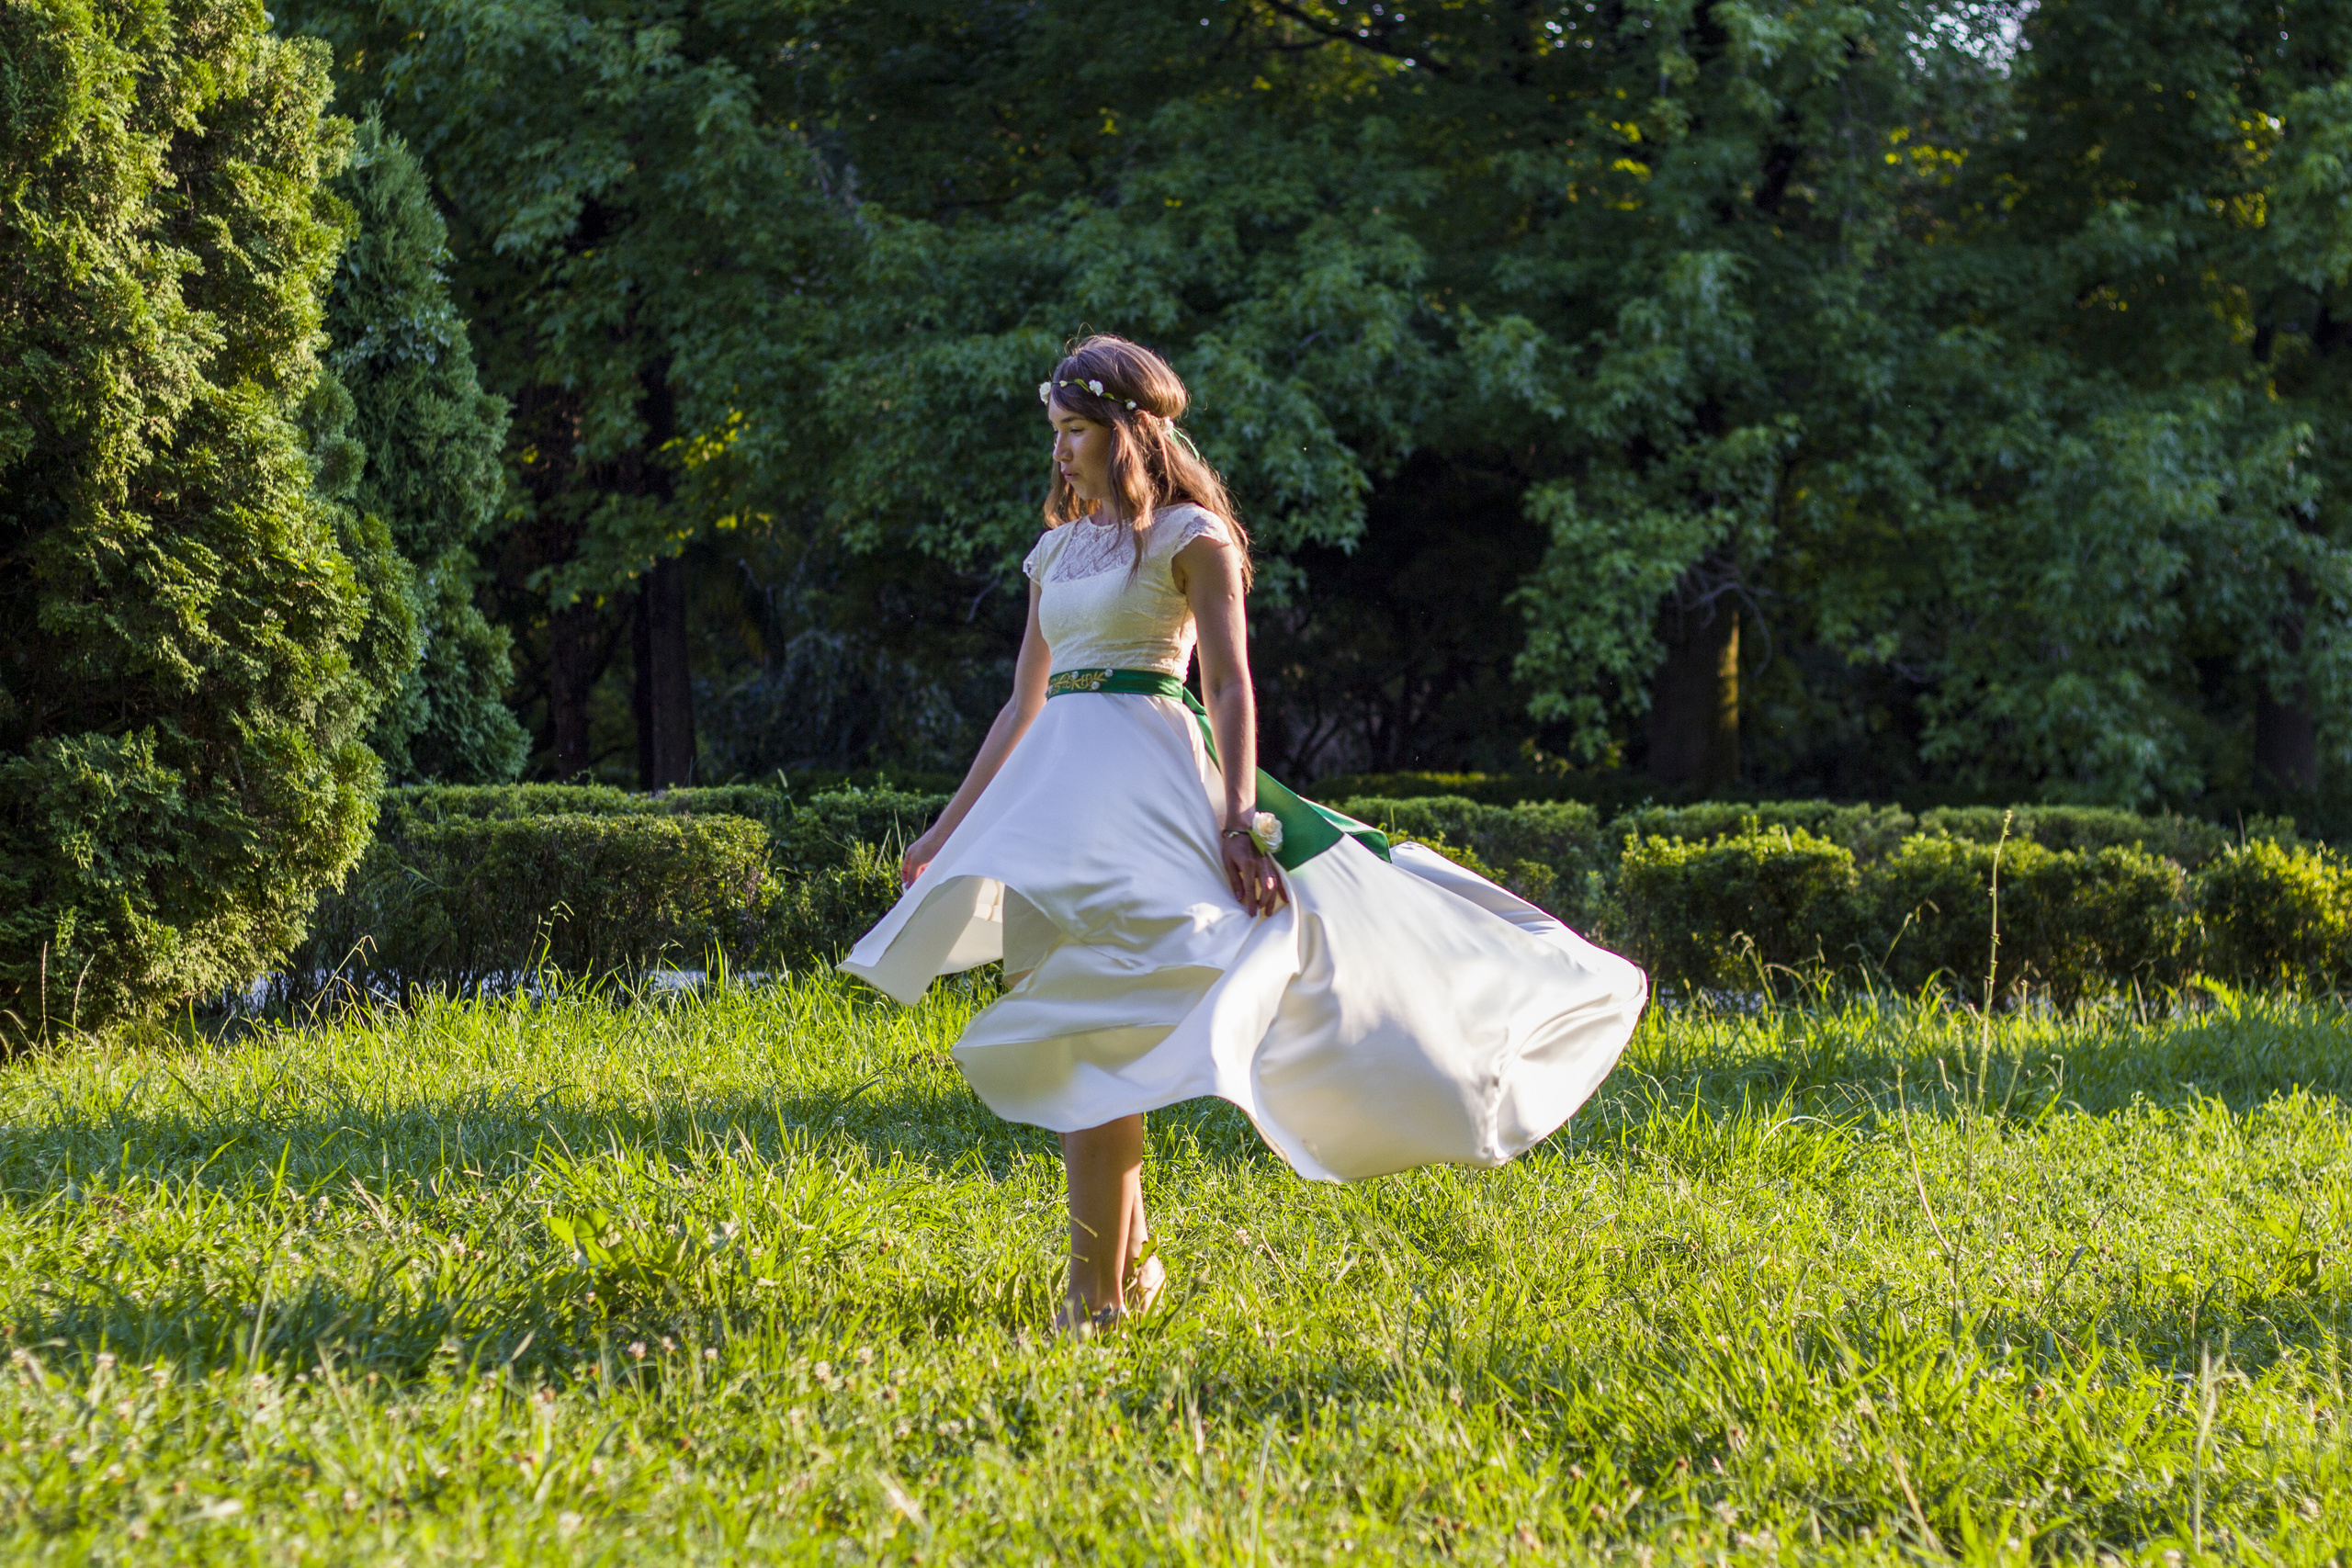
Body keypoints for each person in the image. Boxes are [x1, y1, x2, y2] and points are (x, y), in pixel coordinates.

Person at [841, 335, 1647, 1332]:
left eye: (1075, 431)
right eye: (1055, 433)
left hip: (1149, 796)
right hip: (1053, 808)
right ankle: (1124, 1277)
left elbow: (1226, 686)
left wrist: (1241, 825)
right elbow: (1022, 705)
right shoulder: (1057, 550)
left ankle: (1093, 1298)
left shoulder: (1193, 537)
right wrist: (945, 831)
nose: (1060, 453)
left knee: (1091, 1037)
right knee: (1076, 1042)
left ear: (1128, 431)